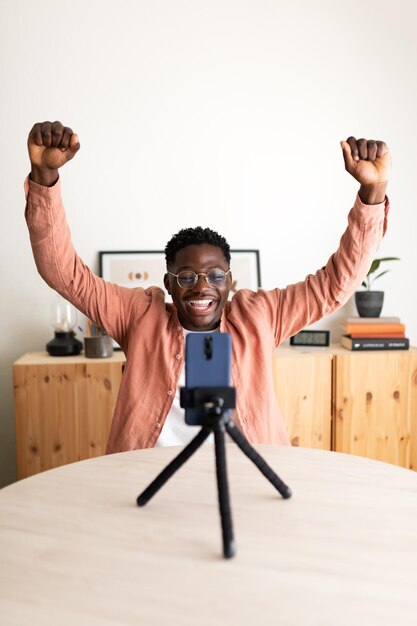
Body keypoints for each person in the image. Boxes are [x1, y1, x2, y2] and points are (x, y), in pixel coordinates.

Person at [25, 121, 390, 453]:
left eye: (215, 276)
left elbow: (334, 286)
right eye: (187, 277)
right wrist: (44, 178)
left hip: (246, 472)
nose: (202, 288)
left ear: (230, 282)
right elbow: (63, 273)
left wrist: (372, 192)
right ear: (169, 284)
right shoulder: (139, 315)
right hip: (148, 475)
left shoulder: (259, 316)